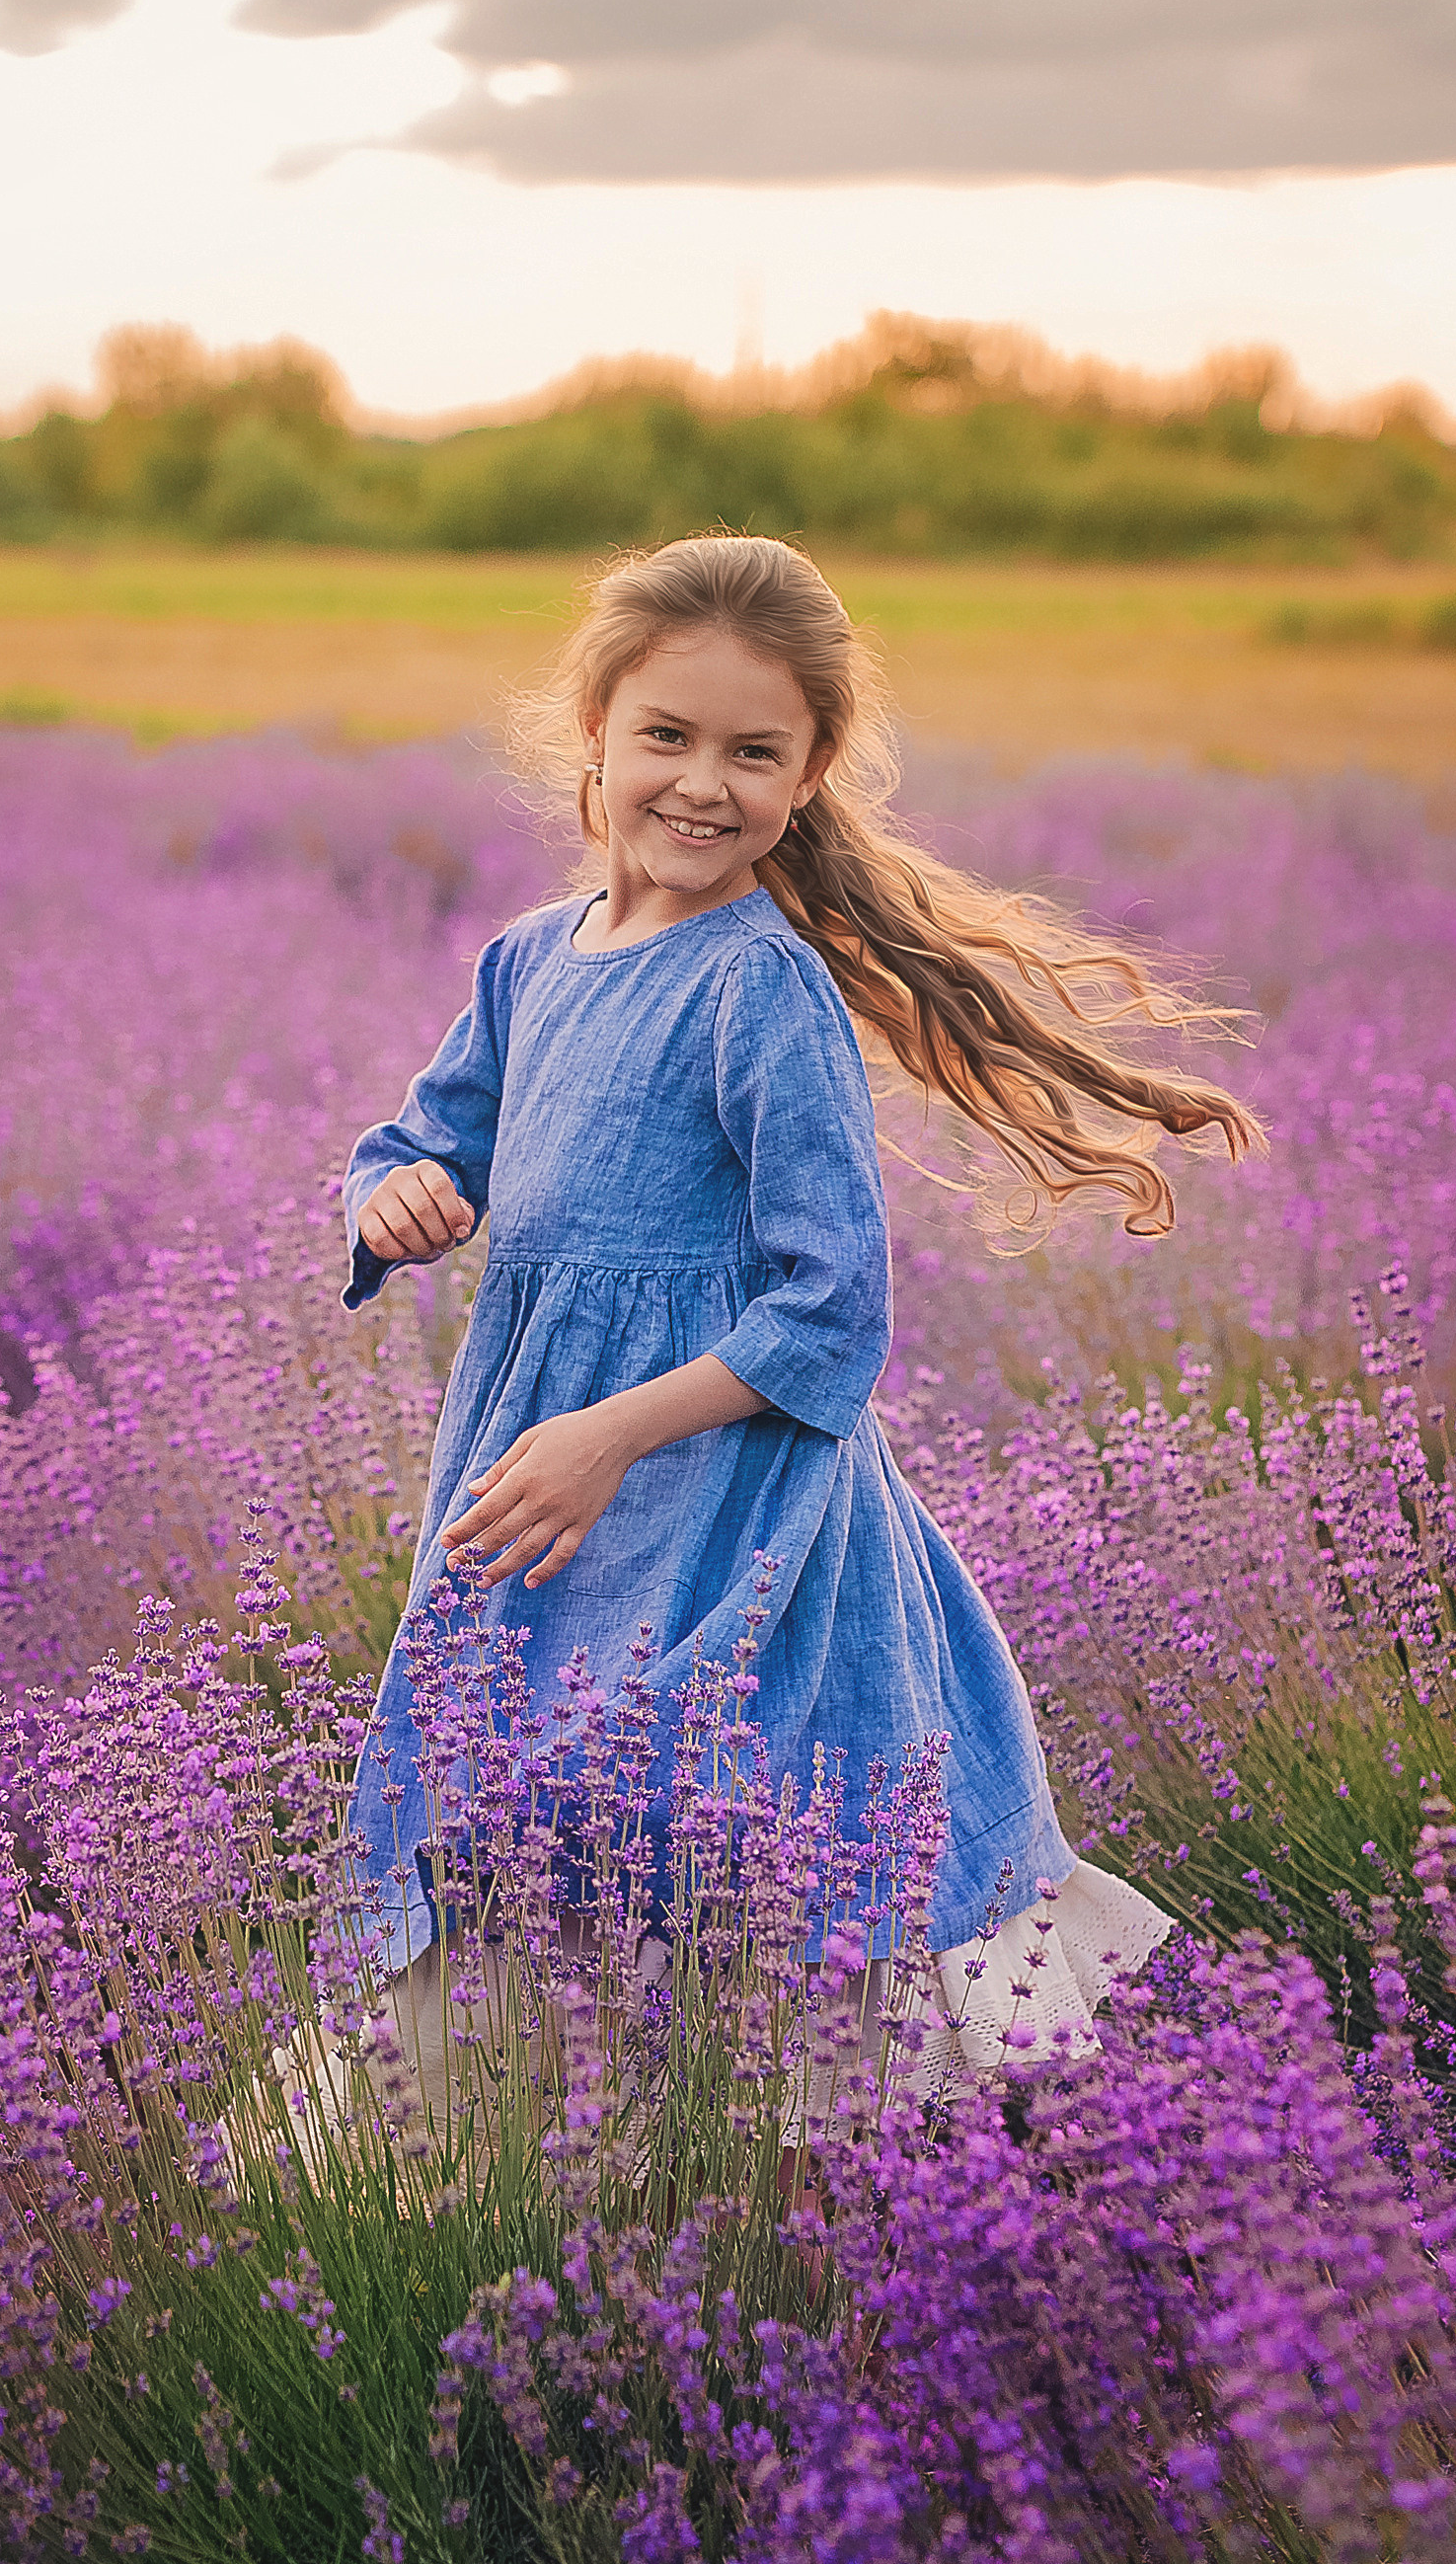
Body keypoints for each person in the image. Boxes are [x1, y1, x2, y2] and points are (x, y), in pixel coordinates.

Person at [337, 534, 1261, 2113]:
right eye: (667, 739)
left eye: (753, 752)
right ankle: (545, 2192)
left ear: (812, 768)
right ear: (596, 736)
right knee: (520, 1810)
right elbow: (420, 1140)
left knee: (740, 1837)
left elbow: (832, 1310)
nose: (702, 784)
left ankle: (783, 2217)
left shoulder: (760, 986)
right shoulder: (526, 964)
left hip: (728, 1501)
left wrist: (606, 1436)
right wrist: (397, 1198)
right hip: (532, 1490)